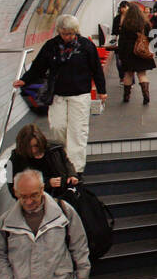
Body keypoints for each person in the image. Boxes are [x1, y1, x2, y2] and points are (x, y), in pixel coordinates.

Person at [13, 14, 106, 174]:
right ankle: (63, 159)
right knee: (57, 127)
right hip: (58, 95)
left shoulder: (85, 46)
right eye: (64, 34)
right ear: (59, 31)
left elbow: (96, 68)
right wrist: (25, 80)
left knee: (77, 131)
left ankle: (76, 170)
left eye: (70, 34)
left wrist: (101, 90)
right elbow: (39, 66)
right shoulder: (51, 46)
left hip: (80, 95)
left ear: (76, 31)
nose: (67, 37)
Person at [9, 125, 77, 197]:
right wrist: (47, 183)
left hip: (62, 194)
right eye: (29, 147)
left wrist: (72, 175)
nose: (33, 150)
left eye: (36, 146)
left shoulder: (55, 149)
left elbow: (66, 162)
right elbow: (12, 185)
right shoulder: (15, 159)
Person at [116, 1, 155, 103]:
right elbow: (151, 37)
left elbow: (122, 40)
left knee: (128, 74)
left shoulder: (125, 24)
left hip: (128, 52)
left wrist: (121, 54)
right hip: (141, 52)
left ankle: (126, 97)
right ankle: (146, 96)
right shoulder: (145, 23)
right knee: (142, 74)